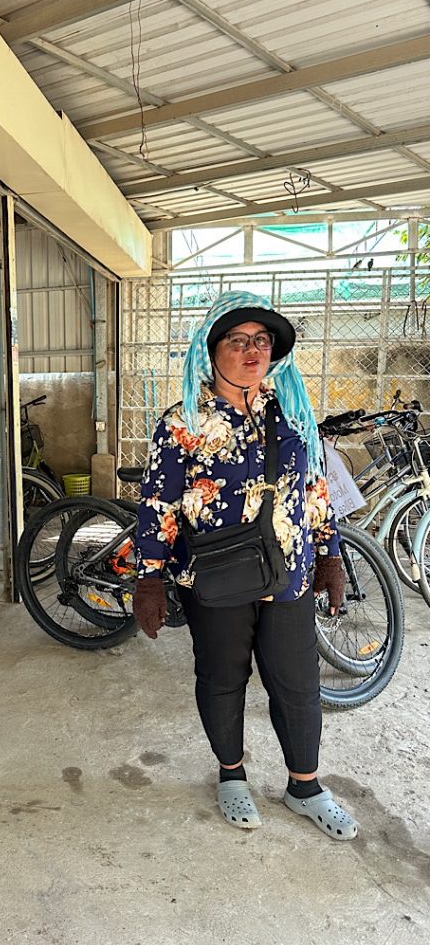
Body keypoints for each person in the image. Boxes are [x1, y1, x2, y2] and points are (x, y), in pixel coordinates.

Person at [133, 291, 357, 840]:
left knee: (297, 682)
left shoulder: (294, 412)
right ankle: (231, 774)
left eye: (261, 341)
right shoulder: (181, 423)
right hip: (215, 577)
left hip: (289, 574)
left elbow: (314, 490)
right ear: (212, 352)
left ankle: (304, 785)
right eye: (238, 340)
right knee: (222, 678)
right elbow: (159, 504)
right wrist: (150, 578)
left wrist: (330, 556)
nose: (252, 350)